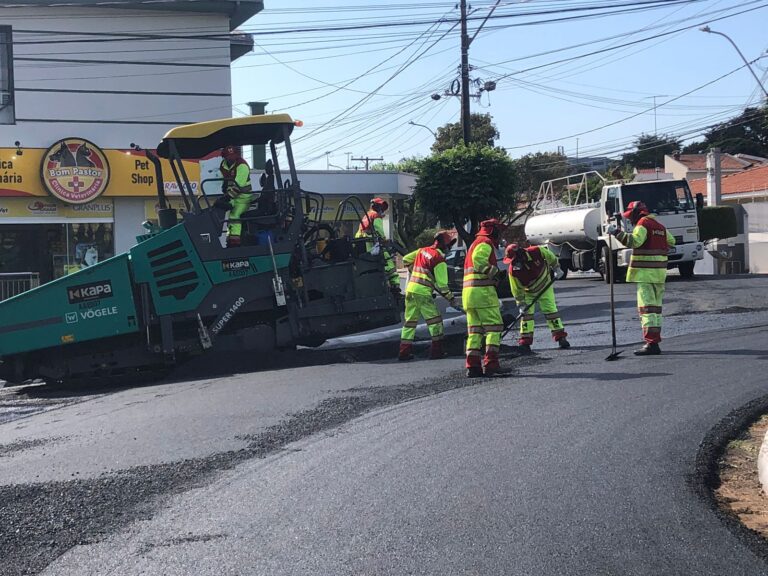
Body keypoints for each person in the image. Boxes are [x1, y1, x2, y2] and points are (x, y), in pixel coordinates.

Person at [607, 200, 676, 355]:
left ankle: (651, 343)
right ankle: (655, 341)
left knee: (646, 310)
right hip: (659, 274)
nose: (629, 220)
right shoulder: (658, 226)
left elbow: (634, 241)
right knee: (655, 310)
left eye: (630, 216)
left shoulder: (643, 224)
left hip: (645, 273)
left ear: (636, 213)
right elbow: (672, 241)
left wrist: (616, 232)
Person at [398, 231, 459, 361]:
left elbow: (405, 259)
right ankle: (436, 352)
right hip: (423, 292)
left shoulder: (422, 250)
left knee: (410, 322)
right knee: (435, 321)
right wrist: (451, 299)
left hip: (410, 289)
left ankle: (404, 352)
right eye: (450, 245)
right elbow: (442, 285)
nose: (450, 248)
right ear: (445, 245)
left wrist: (413, 270)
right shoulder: (439, 259)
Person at [503, 243, 570, 352]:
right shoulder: (513, 271)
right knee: (526, 316)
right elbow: (516, 289)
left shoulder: (536, 251)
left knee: (551, 312)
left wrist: (557, 268)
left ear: (521, 255)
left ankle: (561, 337)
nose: (514, 263)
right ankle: (525, 342)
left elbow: (550, 257)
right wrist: (521, 304)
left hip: (545, 285)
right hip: (528, 292)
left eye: (515, 260)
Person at [463, 219, 506, 378]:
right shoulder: (484, 242)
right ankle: (491, 364)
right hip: (483, 294)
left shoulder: (475, 242)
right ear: (492, 230)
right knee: (494, 328)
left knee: (475, 332)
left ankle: (473, 367)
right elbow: (479, 261)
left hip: (469, 295)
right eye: (498, 230)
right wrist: (495, 272)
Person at [355, 197, 400, 292]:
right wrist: (384, 239)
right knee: (388, 262)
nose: (382, 210)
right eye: (381, 207)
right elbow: (379, 229)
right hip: (371, 246)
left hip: (363, 245)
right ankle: (395, 285)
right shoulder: (375, 215)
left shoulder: (366, 215)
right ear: (377, 207)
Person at [220, 145, 253, 247]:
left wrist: (227, 197)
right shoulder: (223, 165)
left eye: (233, 156)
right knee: (226, 216)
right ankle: (229, 238)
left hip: (244, 197)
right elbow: (225, 181)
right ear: (224, 157)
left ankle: (235, 243)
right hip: (233, 196)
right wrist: (224, 190)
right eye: (229, 156)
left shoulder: (242, 165)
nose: (231, 158)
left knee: (235, 215)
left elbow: (238, 186)